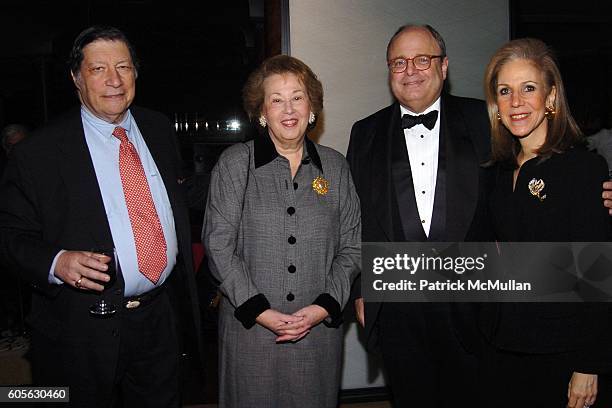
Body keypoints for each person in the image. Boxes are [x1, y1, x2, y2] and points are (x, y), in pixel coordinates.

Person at [0, 26, 201, 407]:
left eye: (123, 67)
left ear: (136, 74)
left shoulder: (158, 128)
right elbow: (9, 235)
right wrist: (56, 261)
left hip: (160, 318)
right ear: (76, 78)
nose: (113, 80)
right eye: (98, 69)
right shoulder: (39, 153)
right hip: (79, 329)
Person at [347, 24, 493, 407]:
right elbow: (355, 220)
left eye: (422, 59)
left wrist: (593, 188)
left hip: (474, 304)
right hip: (397, 308)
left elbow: (528, 176)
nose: (410, 70)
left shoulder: (485, 120)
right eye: (399, 62)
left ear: (444, 67)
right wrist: (361, 288)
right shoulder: (364, 133)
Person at [203, 54, 361, 408]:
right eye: (276, 99)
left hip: (317, 333)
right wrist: (261, 311)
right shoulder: (235, 164)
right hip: (251, 334)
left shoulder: (335, 166)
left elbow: (352, 248)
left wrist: (323, 307)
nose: (288, 109)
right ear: (262, 112)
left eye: (297, 97)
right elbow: (218, 247)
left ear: (312, 108)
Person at [480, 38, 610, 408]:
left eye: (529, 88)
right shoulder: (495, 172)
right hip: (502, 346)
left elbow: (597, 273)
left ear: (551, 98)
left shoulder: (582, 168)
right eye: (505, 91)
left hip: (563, 352)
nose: (516, 101)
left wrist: (589, 364)